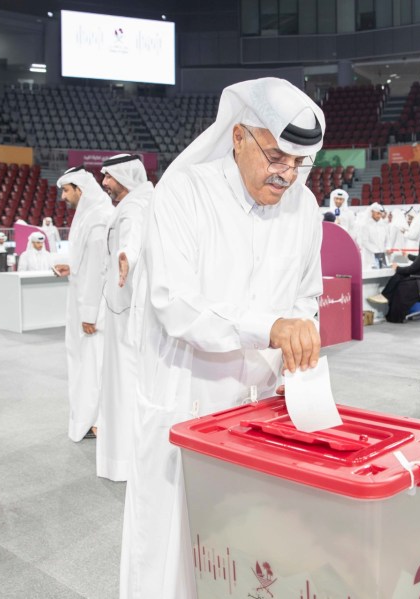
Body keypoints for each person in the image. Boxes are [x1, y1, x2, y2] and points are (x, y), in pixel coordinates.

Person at [120, 77, 325, 599]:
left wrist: (295, 354)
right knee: (172, 547)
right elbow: (174, 302)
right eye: (276, 157)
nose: (287, 175)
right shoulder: (185, 193)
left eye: (298, 163)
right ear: (238, 137)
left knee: (242, 550)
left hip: (258, 408)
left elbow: (305, 296)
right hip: (184, 397)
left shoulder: (305, 210)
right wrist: (270, 328)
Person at [97, 153, 154, 482]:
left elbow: (131, 242)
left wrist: (126, 259)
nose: (104, 183)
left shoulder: (133, 208)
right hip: (132, 307)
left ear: (126, 177)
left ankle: (124, 460)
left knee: (123, 382)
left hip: (126, 311)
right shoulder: (145, 201)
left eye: (109, 177)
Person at [53, 166, 113, 441]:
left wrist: (90, 314)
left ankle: (100, 419)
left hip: (94, 309)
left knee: (95, 364)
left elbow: (99, 270)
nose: (63, 197)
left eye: (66, 190)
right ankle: (88, 417)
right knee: (83, 363)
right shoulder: (87, 215)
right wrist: (72, 268)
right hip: (82, 304)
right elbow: (86, 264)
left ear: (80, 189)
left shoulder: (99, 217)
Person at [370, 231, 420, 322]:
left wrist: (397, 268)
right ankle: (385, 295)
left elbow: (411, 269)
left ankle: (392, 309)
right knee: (400, 276)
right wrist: (408, 256)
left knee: (400, 284)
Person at [359, 202, 389, 268]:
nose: (379, 216)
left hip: (381, 255)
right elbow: (364, 241)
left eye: (380, 214)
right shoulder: (365, 225)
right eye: (377, 213)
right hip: (369, 255)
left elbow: (386, 239)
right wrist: (376, 251)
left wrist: (384, 249)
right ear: (372, 212)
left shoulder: (383, 225)